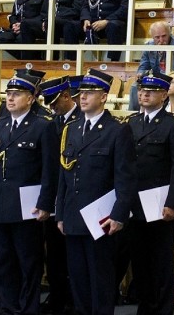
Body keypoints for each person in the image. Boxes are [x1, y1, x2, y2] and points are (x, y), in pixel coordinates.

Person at [55, 69, 136, 315]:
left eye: (90, 93)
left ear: (103, 97)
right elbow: (64, 174)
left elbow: (125, 177)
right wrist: (60, 213)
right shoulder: (72, 128)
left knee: (100, 278)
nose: (83, 97)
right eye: (82, 93)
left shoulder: (116, 130)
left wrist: (119, 214)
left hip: (101, 216)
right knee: (77, 277)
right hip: (73, 214)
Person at [0, 71, 59, 315]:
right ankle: (7, 305)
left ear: (31, 98)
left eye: (17, 95)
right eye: (9, 94)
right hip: (3, 202)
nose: (10, 99)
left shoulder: (42, 126)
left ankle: (28, 308)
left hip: (28, 205)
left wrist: (46, 203)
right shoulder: (0, 126)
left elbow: (50, 170)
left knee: (29, 260)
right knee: (4, 261)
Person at [126, 70, 174, 315]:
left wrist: (173, 203)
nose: (144, 94)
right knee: (139, 262)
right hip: (133, 203)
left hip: (159, 203)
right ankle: (145, 307)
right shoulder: (132, 122)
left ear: (164, 95)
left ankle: (162, 310)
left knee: (161, 262)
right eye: (142, 90)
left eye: (150, 91)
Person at [38, 77, 79, 315]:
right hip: (54, 195)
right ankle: (56, 295)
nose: (52, 107)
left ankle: (73, 299)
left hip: (74, 196)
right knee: (53, 254)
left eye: (55, 102)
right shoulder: (51, 123)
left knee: (72, 254)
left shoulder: (79, 120)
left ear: (66, 96)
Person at [128, 21, 174, 111]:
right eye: (157, 37)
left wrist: (163, 52)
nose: (161, 40)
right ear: (152, 37)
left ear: (169, 34)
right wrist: (140, 74)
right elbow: (144, 65)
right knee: (135, 86)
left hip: (172, 78)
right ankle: (134, 115)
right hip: (156, 77)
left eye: (164, 36)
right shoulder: (149, 45)